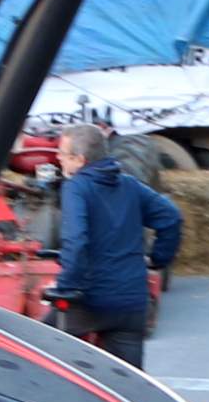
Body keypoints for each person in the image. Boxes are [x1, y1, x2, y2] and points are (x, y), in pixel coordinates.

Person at [45, 121, 179, 366]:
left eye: (62, 154)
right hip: (131, 302)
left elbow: (76, 241)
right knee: (129, 382)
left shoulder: (76, 187)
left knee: (39, 346)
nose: (58, 159)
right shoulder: (130, 185)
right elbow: (171, 217)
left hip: (91, 300)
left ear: (80, 159)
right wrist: (158, 258)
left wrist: (65, 287)